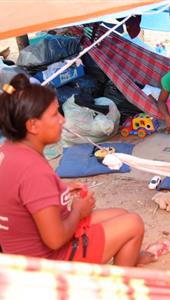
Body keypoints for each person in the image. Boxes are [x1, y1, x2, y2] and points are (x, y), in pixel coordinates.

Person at [0, 74, 154, 266]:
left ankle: (128, 258)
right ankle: (117, 285)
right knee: (134, 224)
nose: (62, 121)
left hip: (20, 251)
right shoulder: (33, 170)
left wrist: (58, 190)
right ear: (33, 125)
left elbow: (24, 195)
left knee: (121, 214)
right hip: (47, 262)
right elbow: (55, 240)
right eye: (55, 114)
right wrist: (78, 212)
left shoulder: (9, 150)